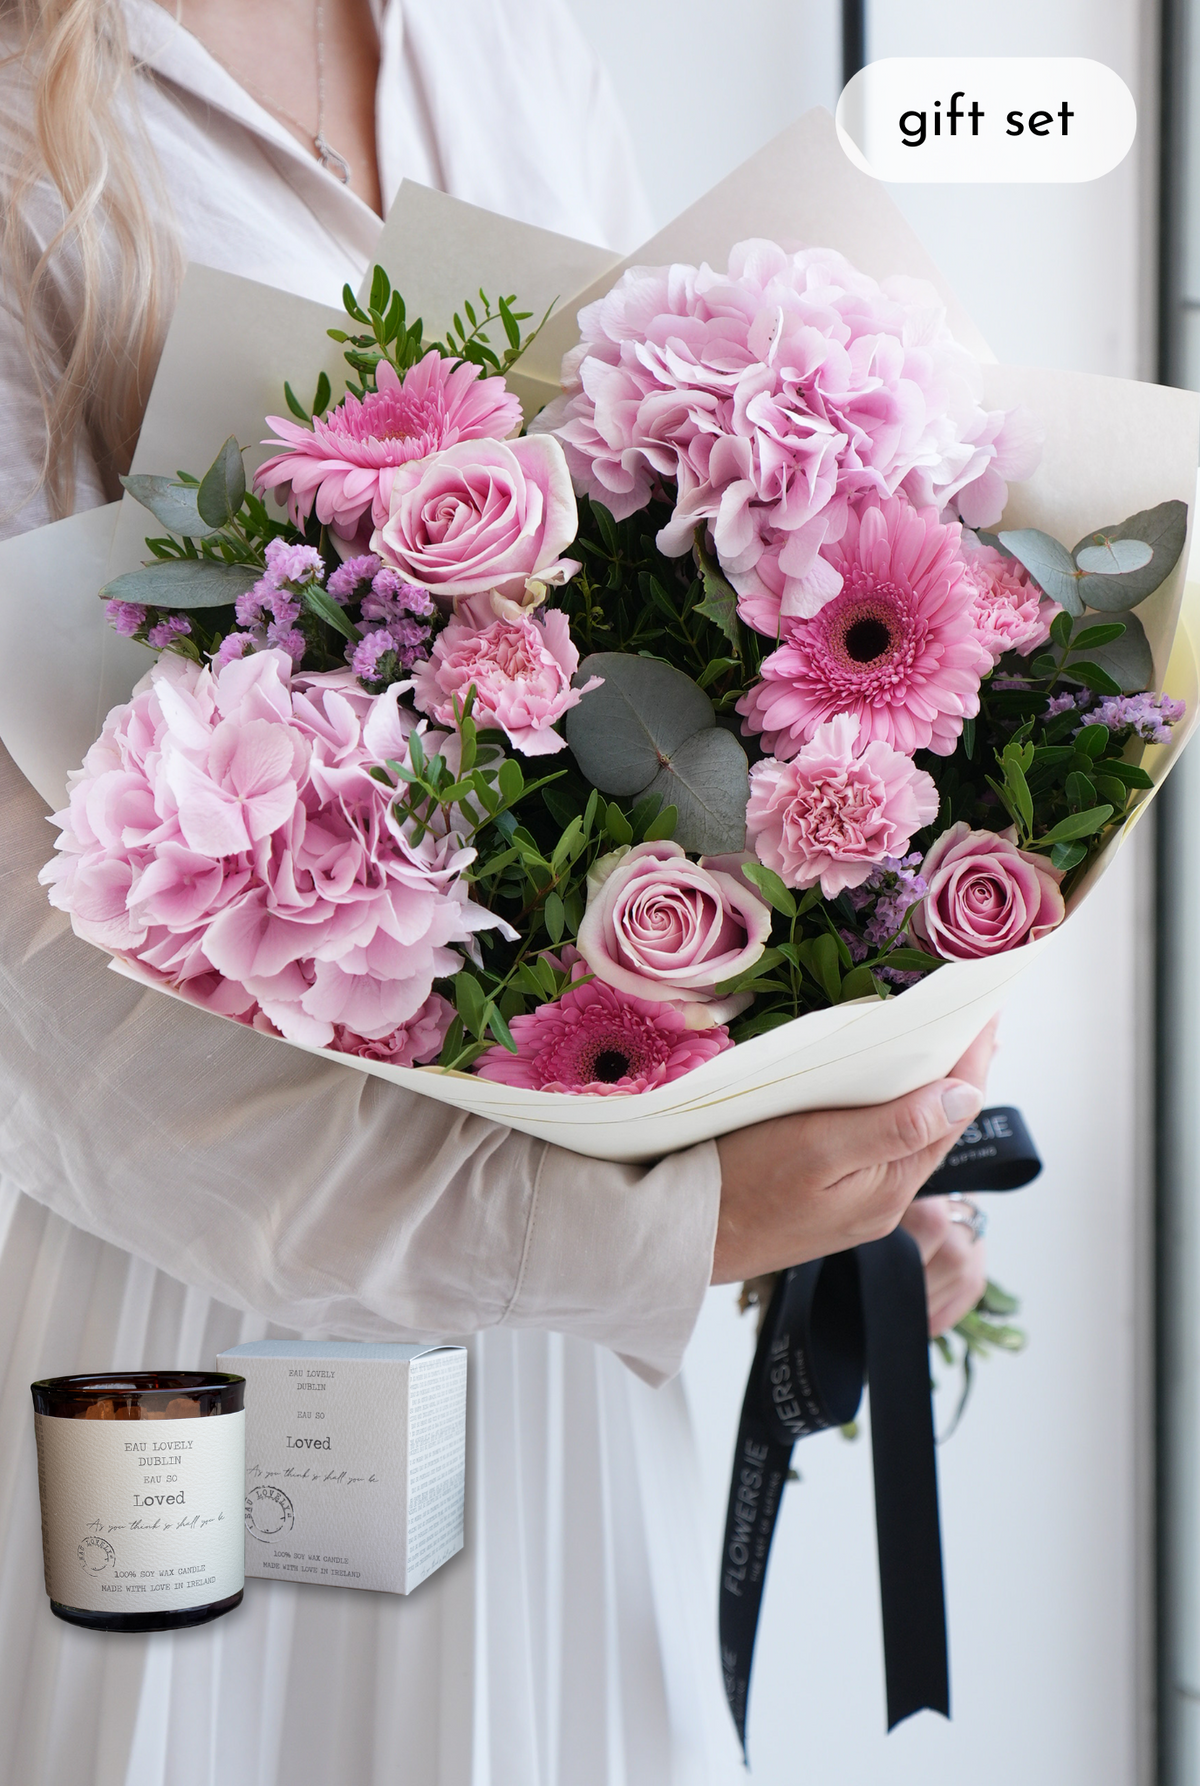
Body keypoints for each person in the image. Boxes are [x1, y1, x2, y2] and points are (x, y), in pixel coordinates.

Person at [0, 3, 992, 1780]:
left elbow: (672, 643)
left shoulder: (515, 48)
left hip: (567, 1389)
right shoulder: (27, 133)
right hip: (210, 1337)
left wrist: (826, 1113)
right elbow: (48, 1003)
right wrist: (654, 1232)